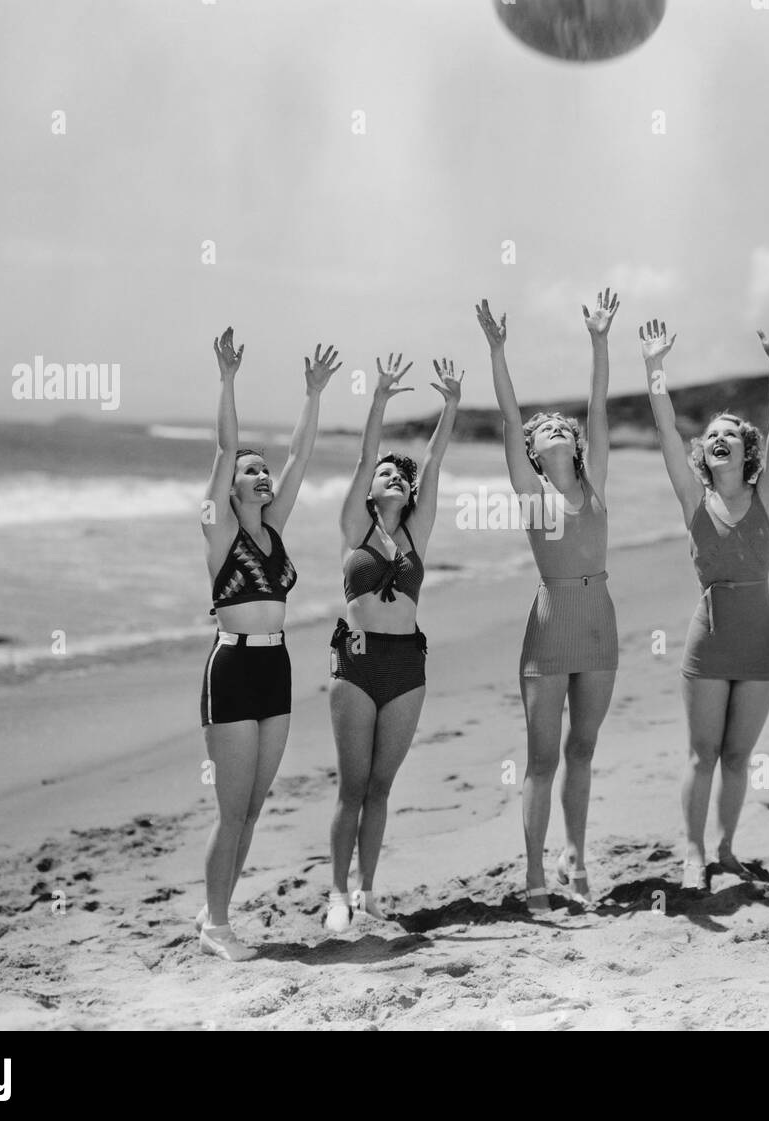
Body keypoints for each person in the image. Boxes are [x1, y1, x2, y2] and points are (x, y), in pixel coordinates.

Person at [638, 311, 769, 890]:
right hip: (707, 639)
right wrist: (655, 368)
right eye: (712, 434)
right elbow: (663, 429)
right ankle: (692, 852)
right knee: (702, 754)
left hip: (760, 641)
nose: (721, 437)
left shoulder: (767, 494)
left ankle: (727, 849)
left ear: (744, 449)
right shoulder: (692, 498)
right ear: (702, 454)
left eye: (732, 431)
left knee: (736, 757)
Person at [198, 326, 340, 960]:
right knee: (232, 811)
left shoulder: (274, 531)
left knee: (253, 807)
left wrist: (313, 395)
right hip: (230, 670)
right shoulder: (222, 534)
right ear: (230, 488)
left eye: (263, 470)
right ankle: (217, 927)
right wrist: (228, 381)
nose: (260, 476)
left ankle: (215, 907)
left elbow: (301, 458)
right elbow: (226, 448)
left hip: (276, 668)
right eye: (249, 472)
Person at [474, 291, 619, 912]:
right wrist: (497, 350)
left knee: (583, 748)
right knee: (542, 758)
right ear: (534, 454)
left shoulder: (595, 481)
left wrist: (599, 340)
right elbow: (511, 418)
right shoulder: (533, 495)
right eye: (545, 430)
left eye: (565, 426)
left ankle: (576, 856)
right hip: (552, 622)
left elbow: (598, 406)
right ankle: (534, 872)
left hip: (599, 623)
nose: (557, 427)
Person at [325, 353, 463, 932]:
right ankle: (335, 893)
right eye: (387, 475)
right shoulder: (354, 530)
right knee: (351, 786)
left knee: (381, 786)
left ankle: (368, 890)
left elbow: (432, 462)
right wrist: (379, 399)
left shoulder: (417, 531)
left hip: (407, 665)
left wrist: (452, 404)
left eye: (400, 477)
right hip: (354, 662)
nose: (396, 479)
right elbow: (364, 457)